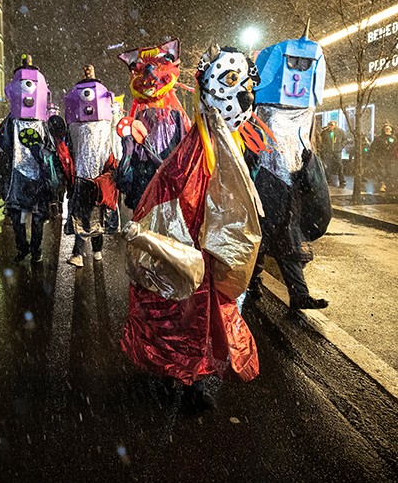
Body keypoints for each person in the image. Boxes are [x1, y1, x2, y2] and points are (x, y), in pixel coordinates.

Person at [121, 46, 263, 411]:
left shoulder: (222, 141)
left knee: (204, 315)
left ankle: (191, 375)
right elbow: (179, 198)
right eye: (232, 83)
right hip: (191, 252)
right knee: (185, 314)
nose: (244, 94)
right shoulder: (196, 149)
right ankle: (181, 377)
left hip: (209, 257)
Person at [248, 30, 332, 310]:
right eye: (292, 63)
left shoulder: (303, 111)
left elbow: (303, 141)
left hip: (290, 182)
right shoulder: (263, 110)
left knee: (287, 239)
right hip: (266, 183)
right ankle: (251, 284)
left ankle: (298, 294)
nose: (297, 70)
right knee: (261, 237)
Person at [0, 55, 57, 263]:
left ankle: (34, 249)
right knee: (19, 217)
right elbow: (3, 144)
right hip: (19, 175)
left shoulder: (41, 122)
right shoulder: (11, 122)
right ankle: (26, 249)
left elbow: (49, 149)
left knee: (33, 217)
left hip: (34, 176)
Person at [116, 40, 190, 210]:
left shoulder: (175, 116)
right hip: (150, 177)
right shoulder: (141, 117)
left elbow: (184, 146)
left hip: (164, 178)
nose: (149, 77)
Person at [62, 66, 120, 267]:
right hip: (98, 180)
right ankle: (95, 252)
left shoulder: (76, 126)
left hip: (84, 179)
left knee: (84, 217)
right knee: (97, 218)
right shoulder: (104, 124)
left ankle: (82, 253)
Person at [369, 123, 396, 192]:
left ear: (391, 130)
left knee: (390, 172)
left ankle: (388, 184)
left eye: (388, 129)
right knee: (382, 171)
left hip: (390, 158)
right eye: (386, 129)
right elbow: (373, 147)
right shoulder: (379, 139)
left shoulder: (394, 139)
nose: (387, 130)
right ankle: (382, 184)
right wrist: (372, 155)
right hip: (381, 157)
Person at [320, 120, 347, 187]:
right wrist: (324, 148)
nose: (330, 126)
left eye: (332, 125)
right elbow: (321, 140)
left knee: (339, 166)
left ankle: (342, 181)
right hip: (328, 151)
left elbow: (345, 140)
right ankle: (327, 179)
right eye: (329, 125)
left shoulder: (340, 132)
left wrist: (340, 147)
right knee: (326, 165)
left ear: (335, 125)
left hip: (337, 152)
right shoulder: (325, 132)